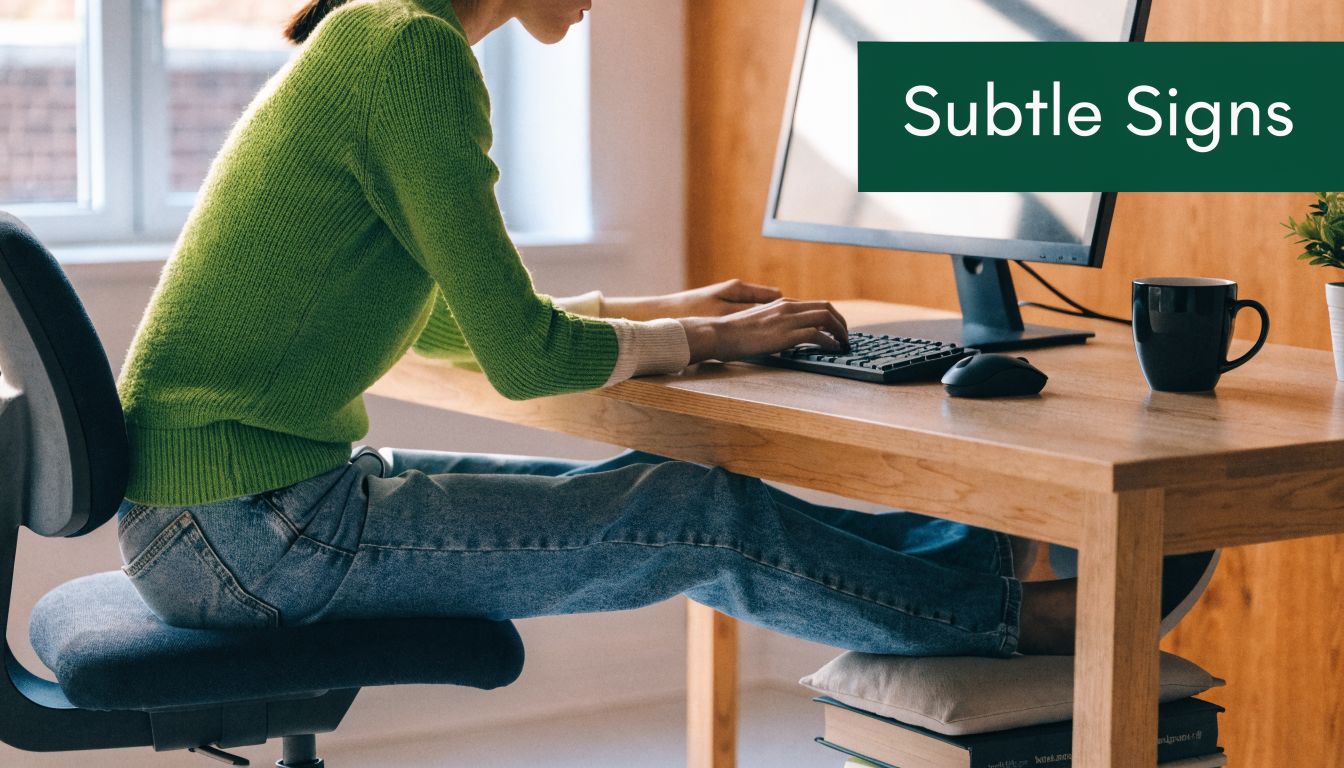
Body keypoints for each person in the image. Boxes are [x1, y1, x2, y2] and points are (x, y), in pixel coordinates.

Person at [115, 0, 1081, 658]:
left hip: (225, 521)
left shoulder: (378, 34)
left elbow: (442, 322)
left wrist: (668, 312)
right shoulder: (406, 52)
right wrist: (714, 343)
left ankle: (981, 565)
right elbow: (523, 359)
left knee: (688, 492)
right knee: (697, 520)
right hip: (250, 538)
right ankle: (1012, 621)